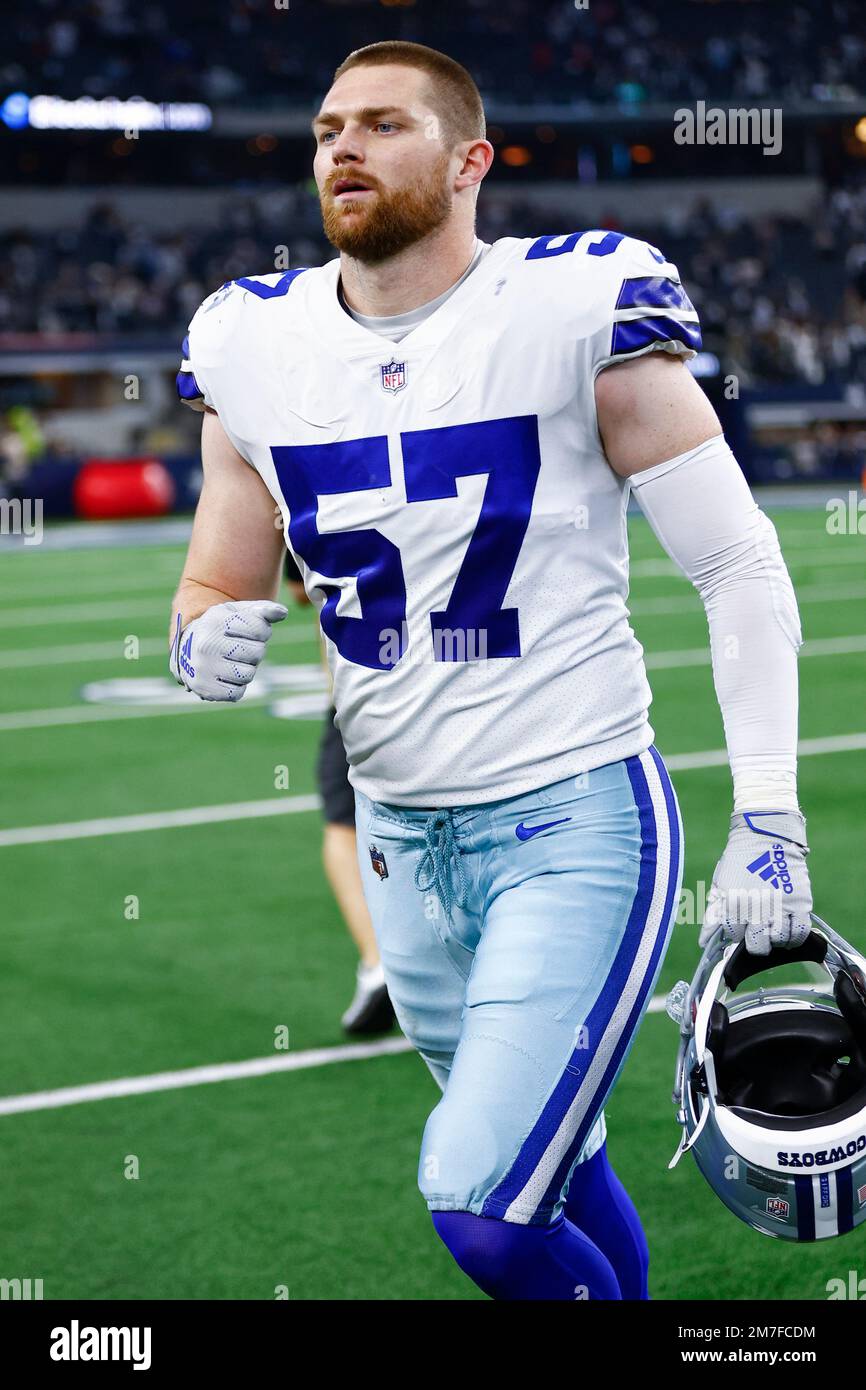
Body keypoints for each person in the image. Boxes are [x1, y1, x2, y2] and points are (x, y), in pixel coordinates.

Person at [169, 41, 812, 1300]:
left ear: (470, 161)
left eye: (381, 125)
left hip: (572, 817)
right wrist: (198, 636)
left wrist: (770, 810)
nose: (340, 148)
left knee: (478, 1203)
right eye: (324, 127)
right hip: (401, 843)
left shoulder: (573, 307)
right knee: (551, 1167)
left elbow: (737, 563)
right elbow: (215, 576)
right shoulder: (251, 339)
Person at [283, 550, 394, 1034]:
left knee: (343, 824)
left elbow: (298, 591)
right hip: (471, 683)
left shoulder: (321, 475)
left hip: (365, 691)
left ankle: (377, 961)